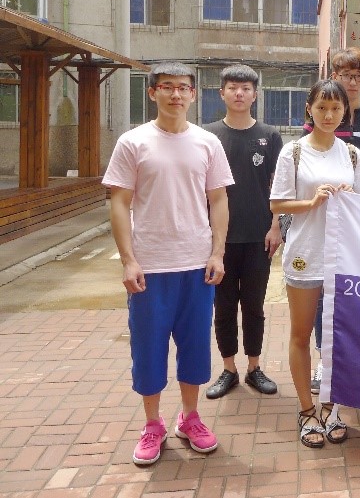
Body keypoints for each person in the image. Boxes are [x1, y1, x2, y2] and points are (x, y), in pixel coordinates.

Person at [103, 62, 234, 466]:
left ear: (193, 94)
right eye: (167, 87)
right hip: (150, 267)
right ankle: (152, 424)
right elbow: (119, 202)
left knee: (195, 346)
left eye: (183, 88)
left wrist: (217, 252)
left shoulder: (207, 143)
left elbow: (218, 200)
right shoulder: (133, 142)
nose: (175, 94)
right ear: (153, 92)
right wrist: (128, 260)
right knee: (149, 348)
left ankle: (190, 418)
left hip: (196, 265)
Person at [270, 79, 360, 448]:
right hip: (305, 254)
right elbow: (277, 204)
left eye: (336, 108)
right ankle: (307, 409)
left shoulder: (353, 155)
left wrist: (351, 196)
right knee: (300, 334)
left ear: (345, 111)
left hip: (343, 258)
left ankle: (332, 407)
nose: (328, 114)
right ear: (309, 108)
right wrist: (311, 203)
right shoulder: (293, 152)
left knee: (337, 337)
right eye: (322, 107)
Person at [309, 47, 360, 394]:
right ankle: (323, 359)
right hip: (322, 221)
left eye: (358, 76)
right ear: (334, 76)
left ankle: (359, 359)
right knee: (324, 293)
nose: (352, 82)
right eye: (345, 75)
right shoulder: (321, 118)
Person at [203, 65, 283, 400]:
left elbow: (279, 186)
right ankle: (228, 370)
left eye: (246, 88)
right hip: (218, 241)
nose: (239, 93)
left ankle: (254, 367)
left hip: (258, 237)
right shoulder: (208, 136)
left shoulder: (270, 136)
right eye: (233, 87)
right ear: (221, 93)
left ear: (255, 94)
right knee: (223, 308)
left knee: (253, 306)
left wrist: (276, 225)